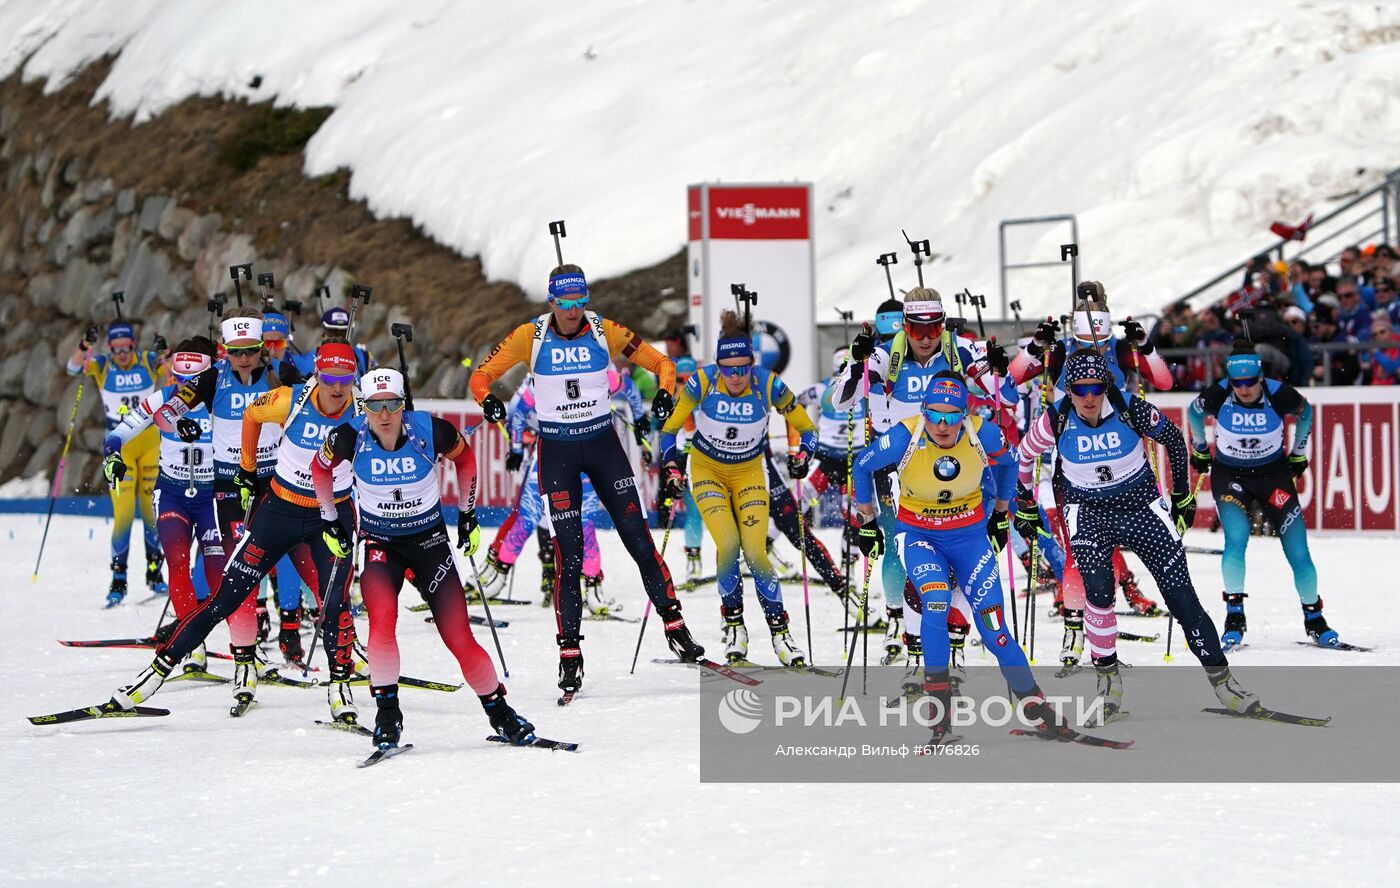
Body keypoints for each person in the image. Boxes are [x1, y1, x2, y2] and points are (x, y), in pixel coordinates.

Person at [470, 263, 703, 696]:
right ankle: (570, 653)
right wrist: (489, 402)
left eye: (581, 302)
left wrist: (667, 391)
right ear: (552, 302)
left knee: (638, 541)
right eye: (566, 303)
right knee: (569, 557)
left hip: (603, 449)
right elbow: (479, 377)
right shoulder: (530, 336)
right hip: (556, 452)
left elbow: (662, 364)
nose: (574, 311)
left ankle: (675, 625)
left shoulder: (604, 330)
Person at [106, 341, 364, 722]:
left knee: (331, 597)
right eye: (329, 378)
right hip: (254, 499)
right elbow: (163, 413)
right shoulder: (227, 388)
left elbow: (392, 447)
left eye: (345, 378)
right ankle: (167, 670)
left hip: (325, 509)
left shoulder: (355, 405)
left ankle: (340, 679)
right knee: (224, 592)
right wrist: (126, 444)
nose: (337, 387)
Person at [1015, 349, 1260, 722]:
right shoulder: (1056, 417)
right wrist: (1025, 503)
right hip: (1088, 513)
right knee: (1098, 595)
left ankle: (1224, 683)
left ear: (1106, 385)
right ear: (1068, 389)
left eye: (1096, 387)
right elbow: (1025, 456)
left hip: (1141, 507)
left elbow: (1176, 441)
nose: (1089, 397)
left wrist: (1181, 497)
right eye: (1080, 389)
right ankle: (1109, 684)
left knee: (1182, 600)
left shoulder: (1129, 407)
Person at [311, 367, 536, 748]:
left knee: (458, 636)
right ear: (362, 405)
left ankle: (501, 713)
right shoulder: (348, 436)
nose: (384, 415)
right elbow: (319, 469)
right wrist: (330, 520)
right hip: (380, 544)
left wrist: (467, 515)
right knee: (382, 625)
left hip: (429, 543)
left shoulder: (432, 431)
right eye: (375, 406)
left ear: (403, 404)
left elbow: (465, 461)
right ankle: (387, 714)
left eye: (393, 404)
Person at [852, 375, 1055, 743]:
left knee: (995, 630)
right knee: (936, 601)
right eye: (934, 415)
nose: (942, 425)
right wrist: (866, 521)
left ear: (966, 413)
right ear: (923, 411)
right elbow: (862, 465)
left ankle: (1037, 707)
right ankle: (939, 711)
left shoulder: (985, 434)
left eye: (952, 416)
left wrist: (1001, 512)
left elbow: (1009, 466)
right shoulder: (904, 435)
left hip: (970, 538)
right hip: (919, 536)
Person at [829, 289, 1014, 682]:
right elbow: (841, 400)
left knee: (967, 566)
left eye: (933, 327)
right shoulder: (886, 356)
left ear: (943, 324)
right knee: (915, 566)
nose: (925, 336)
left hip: (962, 466)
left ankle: (955, 644)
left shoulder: (961, 350)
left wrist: (999, 369)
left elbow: (1007, 396)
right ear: (905, 326)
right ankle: (917, 655)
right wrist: (855, 363)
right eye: (916, 327)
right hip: (906, 470)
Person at [145, 311, 314, 663]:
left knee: (291, 554)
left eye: (251, 350)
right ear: (225, 351)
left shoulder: (279, 374)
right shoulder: (211, 379)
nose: (243, 359)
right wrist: (180, 426)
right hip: (229, 485)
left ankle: (293, 630)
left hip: (273, 480)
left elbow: (318, 402)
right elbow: (164, 414)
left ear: (260, 349)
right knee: (240, 567)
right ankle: (244, 655)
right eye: (236, 352)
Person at [659, 310, 818, 666]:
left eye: (742, 367)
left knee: (756, 552)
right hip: (708, 471)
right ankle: (734, 626)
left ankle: (781, 633)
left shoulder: (768, 384)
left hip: (748, 473)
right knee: (729, 545)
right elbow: (669, 430)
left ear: (752, 364)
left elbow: (807, 429)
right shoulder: (702, 382)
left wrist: (802, 456)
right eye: (728, 368)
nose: (735, 376)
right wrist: (671, 466)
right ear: (718, 365)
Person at [1009, 290, 1167, 618]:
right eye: (1084, 338)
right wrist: (1038, 347)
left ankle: (1124, 590)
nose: (1092, 346)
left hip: (1119, 456)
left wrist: (1146, 347)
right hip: (1074, 457)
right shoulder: (1063, 350)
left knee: (1117, 533)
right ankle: (1080, 609)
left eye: (1099, 338)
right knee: (1077, 539)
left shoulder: (1120, 349)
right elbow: (1013, 378)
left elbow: (1163, 382)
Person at [1188, 342, 1345, 647]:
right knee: (1237, 537)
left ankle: (1315, 619)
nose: (1243, 389)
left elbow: (1306, 412)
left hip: (1273, 478)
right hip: (1231, 478)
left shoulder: (1279, 393)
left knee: (1298, 550)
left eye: (1249, 382)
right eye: (1237, 383)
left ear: (1260, 376)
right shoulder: (1218, 394)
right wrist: (1200, 447)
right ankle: (1235, 616)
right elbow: (1194, 413)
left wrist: (1299, 452)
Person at [102, 337, 222, 673]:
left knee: (219, 575)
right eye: (178, 379)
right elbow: (119, 433)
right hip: (171, 493)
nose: (185, 388)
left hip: (211, 497)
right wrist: (112, 455)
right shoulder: (164, 398)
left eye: (192, 380)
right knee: (178, 564)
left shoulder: (222, 401)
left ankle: (243, 646)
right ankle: (192, 644)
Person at [477, 376, 617, 615]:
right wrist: (518, 449)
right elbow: (517, 413)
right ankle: (498, 578)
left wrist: (641, 415)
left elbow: (623, 385)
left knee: (585, 526)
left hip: (586, 455)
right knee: (526, 521)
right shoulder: (536, 382)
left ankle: (593, 589)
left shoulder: (591, 368)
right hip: (548, 456)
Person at [66, 320, 166, 605]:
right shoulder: (101, 365)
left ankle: (154, 573)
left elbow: (174, 377)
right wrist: (84, 345)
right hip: (118, 447)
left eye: (126, 348)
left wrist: (165, 352)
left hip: (149, 443)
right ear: (110, 348)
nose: (122, 354)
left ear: (133, 345)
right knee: (122, 516)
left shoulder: (146, 361)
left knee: (151, 513)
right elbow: (72, 368)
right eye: (116, 349)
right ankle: (118, 580)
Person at [290, 306, 374, 377]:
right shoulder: (304, 361)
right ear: (323, 334)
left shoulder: (365, 357)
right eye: (333, 332)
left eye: (344, 333)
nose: (338, 338)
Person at [1361, 315, 1400, 384]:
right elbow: (1365, 364)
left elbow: (1394, 368)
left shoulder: (1398, 343)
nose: (1379, 336)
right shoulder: (1374, 348)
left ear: (1391, 331)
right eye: (1375, 334)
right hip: (1378, 387)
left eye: (1382, 332)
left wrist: (1377, 353)